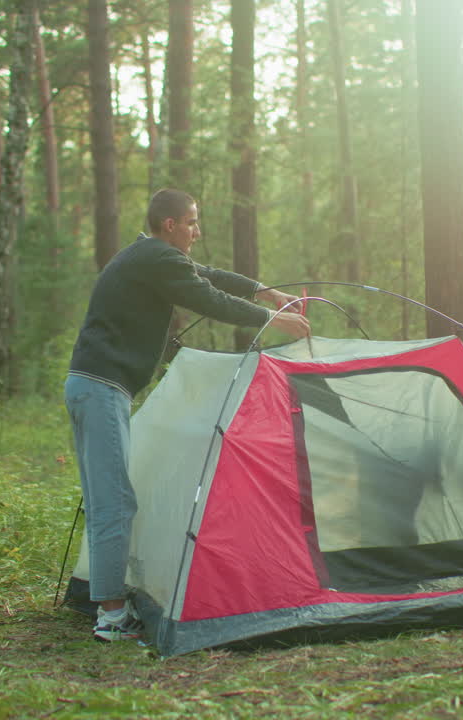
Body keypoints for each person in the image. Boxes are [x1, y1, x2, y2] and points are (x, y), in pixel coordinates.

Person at [65, 188, 310, 642]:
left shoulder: (151, 255)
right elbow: (208, 298)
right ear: (171, 224)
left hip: (92, 386)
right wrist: (272, 318)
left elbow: (210, 275)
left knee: (108, 499)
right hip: (100, 388)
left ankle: (108, 605)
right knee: (114, 502)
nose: (198, 231)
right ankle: (112, 618)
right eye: (192, 222)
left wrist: (266, 290)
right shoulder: (157, 258)